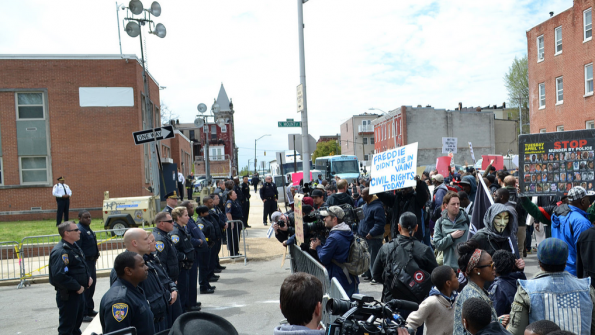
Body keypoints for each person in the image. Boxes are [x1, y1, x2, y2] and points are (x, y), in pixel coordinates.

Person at [507, 238, 595, 335]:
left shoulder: (526, 290)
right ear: (566, 262)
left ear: (539, 262)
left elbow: (516, 331)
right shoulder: (586, 288)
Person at [372, 212, 438, 304]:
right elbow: (436, 276)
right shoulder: (425, 250)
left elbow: (375, 274)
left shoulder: (386, 248)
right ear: (417, 227)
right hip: (416, 303)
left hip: (391, 301)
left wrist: (392, 282)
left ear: (399, 227)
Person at [111, 229, 169, 331]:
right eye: (146, 239)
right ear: (134, 243)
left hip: (158, 322)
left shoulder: (147, 262)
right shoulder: (125, 268)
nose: (149, 241)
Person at [49, 221, 92, 335]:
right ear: (66, 233)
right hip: (69, 295)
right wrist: (77, 286)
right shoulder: (61, 251)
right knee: (67, 328)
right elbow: (59, 275)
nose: (79, 232)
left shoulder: (73, 246)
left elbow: (80, 265)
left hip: (78, 293)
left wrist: (88, 277)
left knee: (75, 327)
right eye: (76, 230)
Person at [100, 251, 154, 335]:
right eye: (142, 265)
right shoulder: (120, 302)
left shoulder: (134, 289)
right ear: (128, 271)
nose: (146, 268)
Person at [309, 206, 359, 297]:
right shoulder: (346, 230)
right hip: (349, 276)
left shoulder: (334, 237)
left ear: (334, 219)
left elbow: (323, 257)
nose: (324, 219)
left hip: (340, 278)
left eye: (326, 217)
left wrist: (318, 247)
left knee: (343, 307)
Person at [453, 240, 498, 335]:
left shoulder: (472, 289)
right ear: (477, 270)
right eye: (490, 265)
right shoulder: (474, 297)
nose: (494, 268)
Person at [405, 266, 459, 335]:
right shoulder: (431, 302)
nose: (458, 279)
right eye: (455, 277)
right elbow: (411, 322)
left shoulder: (458, 298)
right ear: (448, 283)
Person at [551, 186, 592, 276]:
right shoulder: (581, 222)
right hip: (575, 273)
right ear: (583, 201)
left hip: (557, 269)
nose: (590, 202)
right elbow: (586, 253)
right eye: (588, 199)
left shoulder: (558, 214)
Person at [146, 232, 183, 328]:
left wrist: (174, 289)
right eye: (152, 241)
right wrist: (168, 295)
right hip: (160, 307)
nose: (155, 243)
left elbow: (166, 276)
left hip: (168, 300)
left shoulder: (153, 258)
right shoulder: (138, 264)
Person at [376, 176, 429, 241]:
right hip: (397, 234)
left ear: (411, 187)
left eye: (406, 188)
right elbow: (383, 196)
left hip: (413, 235)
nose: (403, 190)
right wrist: (375, 184)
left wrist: (419, 183)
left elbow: (424, 196)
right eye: (402, 188)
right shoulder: (396, 198)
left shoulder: (416, 198)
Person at [433, 192, 470, 270]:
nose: (456, 206)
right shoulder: (440, 222)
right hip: (450, 268)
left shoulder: (468, 219)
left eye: (458, 204)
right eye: (453, 204)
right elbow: (437, 245)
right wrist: (451, 237)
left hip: (466, 267)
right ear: (446, 205)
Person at [182, 201, 208, 309]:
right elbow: (188, 239)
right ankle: (190, 304)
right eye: (191, 208)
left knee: (193, 280)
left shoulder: (190, 220)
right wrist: (199, 242)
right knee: (190, 281)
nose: (193, 209)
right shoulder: (185, 224)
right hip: (190, 253)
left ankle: (193, 301)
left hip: (194, 253)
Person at [170, 206, 195, 312]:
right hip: (181, 268)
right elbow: (174, 251)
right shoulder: (175, 232)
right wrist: (184, 257)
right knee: (182, 294)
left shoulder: (182, 229)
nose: (188, 217)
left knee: (185, 292)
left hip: (186, 267)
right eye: (185, 215)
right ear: (178, 217)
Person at [75, 211, 99, 322]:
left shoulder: (87, 229)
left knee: (92, 286)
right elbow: (79, 249)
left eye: (89, 217)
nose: (88, 219)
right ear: (79, 218)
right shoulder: (80, 230)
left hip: (92, 262)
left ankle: (89, 308)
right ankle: (83, 313)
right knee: (86, 287)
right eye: (85, 217)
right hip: (86, 263)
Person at [359, 187, 386, 282]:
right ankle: (368, 274)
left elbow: (380, 223)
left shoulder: (377, 207)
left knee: (374, 257)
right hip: (365, 236)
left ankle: (375, 276)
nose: (361, 195)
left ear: (369, 195)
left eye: (363, 194)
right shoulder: (365, 206)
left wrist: (372, 232)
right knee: (367, 256)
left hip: (373, 237)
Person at [488, 250, 526, 316]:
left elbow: (495, 313)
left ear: (495, 267)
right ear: (513, 266)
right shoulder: (521, 279)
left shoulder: (497, 287)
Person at [152, 212, 180, 284]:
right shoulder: (160, 239)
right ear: (162, 223)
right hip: (167, 281)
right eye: (170, 221)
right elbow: (161, 264)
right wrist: (169, 282)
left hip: (171, 279)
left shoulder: (164, 235)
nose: (173, 223)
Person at [195, 205, 216, 294]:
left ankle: (207, 284)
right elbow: (202, 235)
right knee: (203, 267)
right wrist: (208, 240)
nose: (208, 213)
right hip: (203, 248)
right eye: (206, 212)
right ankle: (203, 286)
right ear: (202, 213)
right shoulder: (200, 222)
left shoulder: (205, 220)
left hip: (208, 246)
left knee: (207, 266)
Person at [225, 190, 243, 256]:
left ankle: (236, 251)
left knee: (237, 237)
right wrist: (232, 222)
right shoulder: (229, 203)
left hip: (238, 222)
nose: (236, 194)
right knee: (233, 238)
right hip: (233, 222)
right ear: (230, 196)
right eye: (234, 193)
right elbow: (228, 213)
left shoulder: (235, 202)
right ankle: (233, 253)